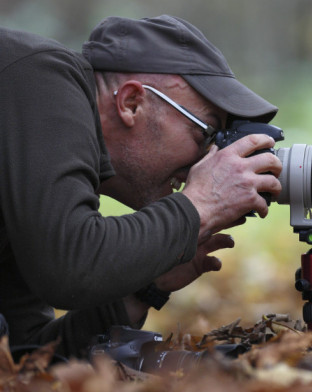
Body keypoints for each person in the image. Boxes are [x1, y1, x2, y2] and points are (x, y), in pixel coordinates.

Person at [0, 15, 283, 358]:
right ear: (131, 103)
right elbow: (70, 268)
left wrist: (144, 289)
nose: (206, 160)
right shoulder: (44, 75)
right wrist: (199, 206)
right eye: (206, 134)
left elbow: (25, 352)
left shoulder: (30, 158)